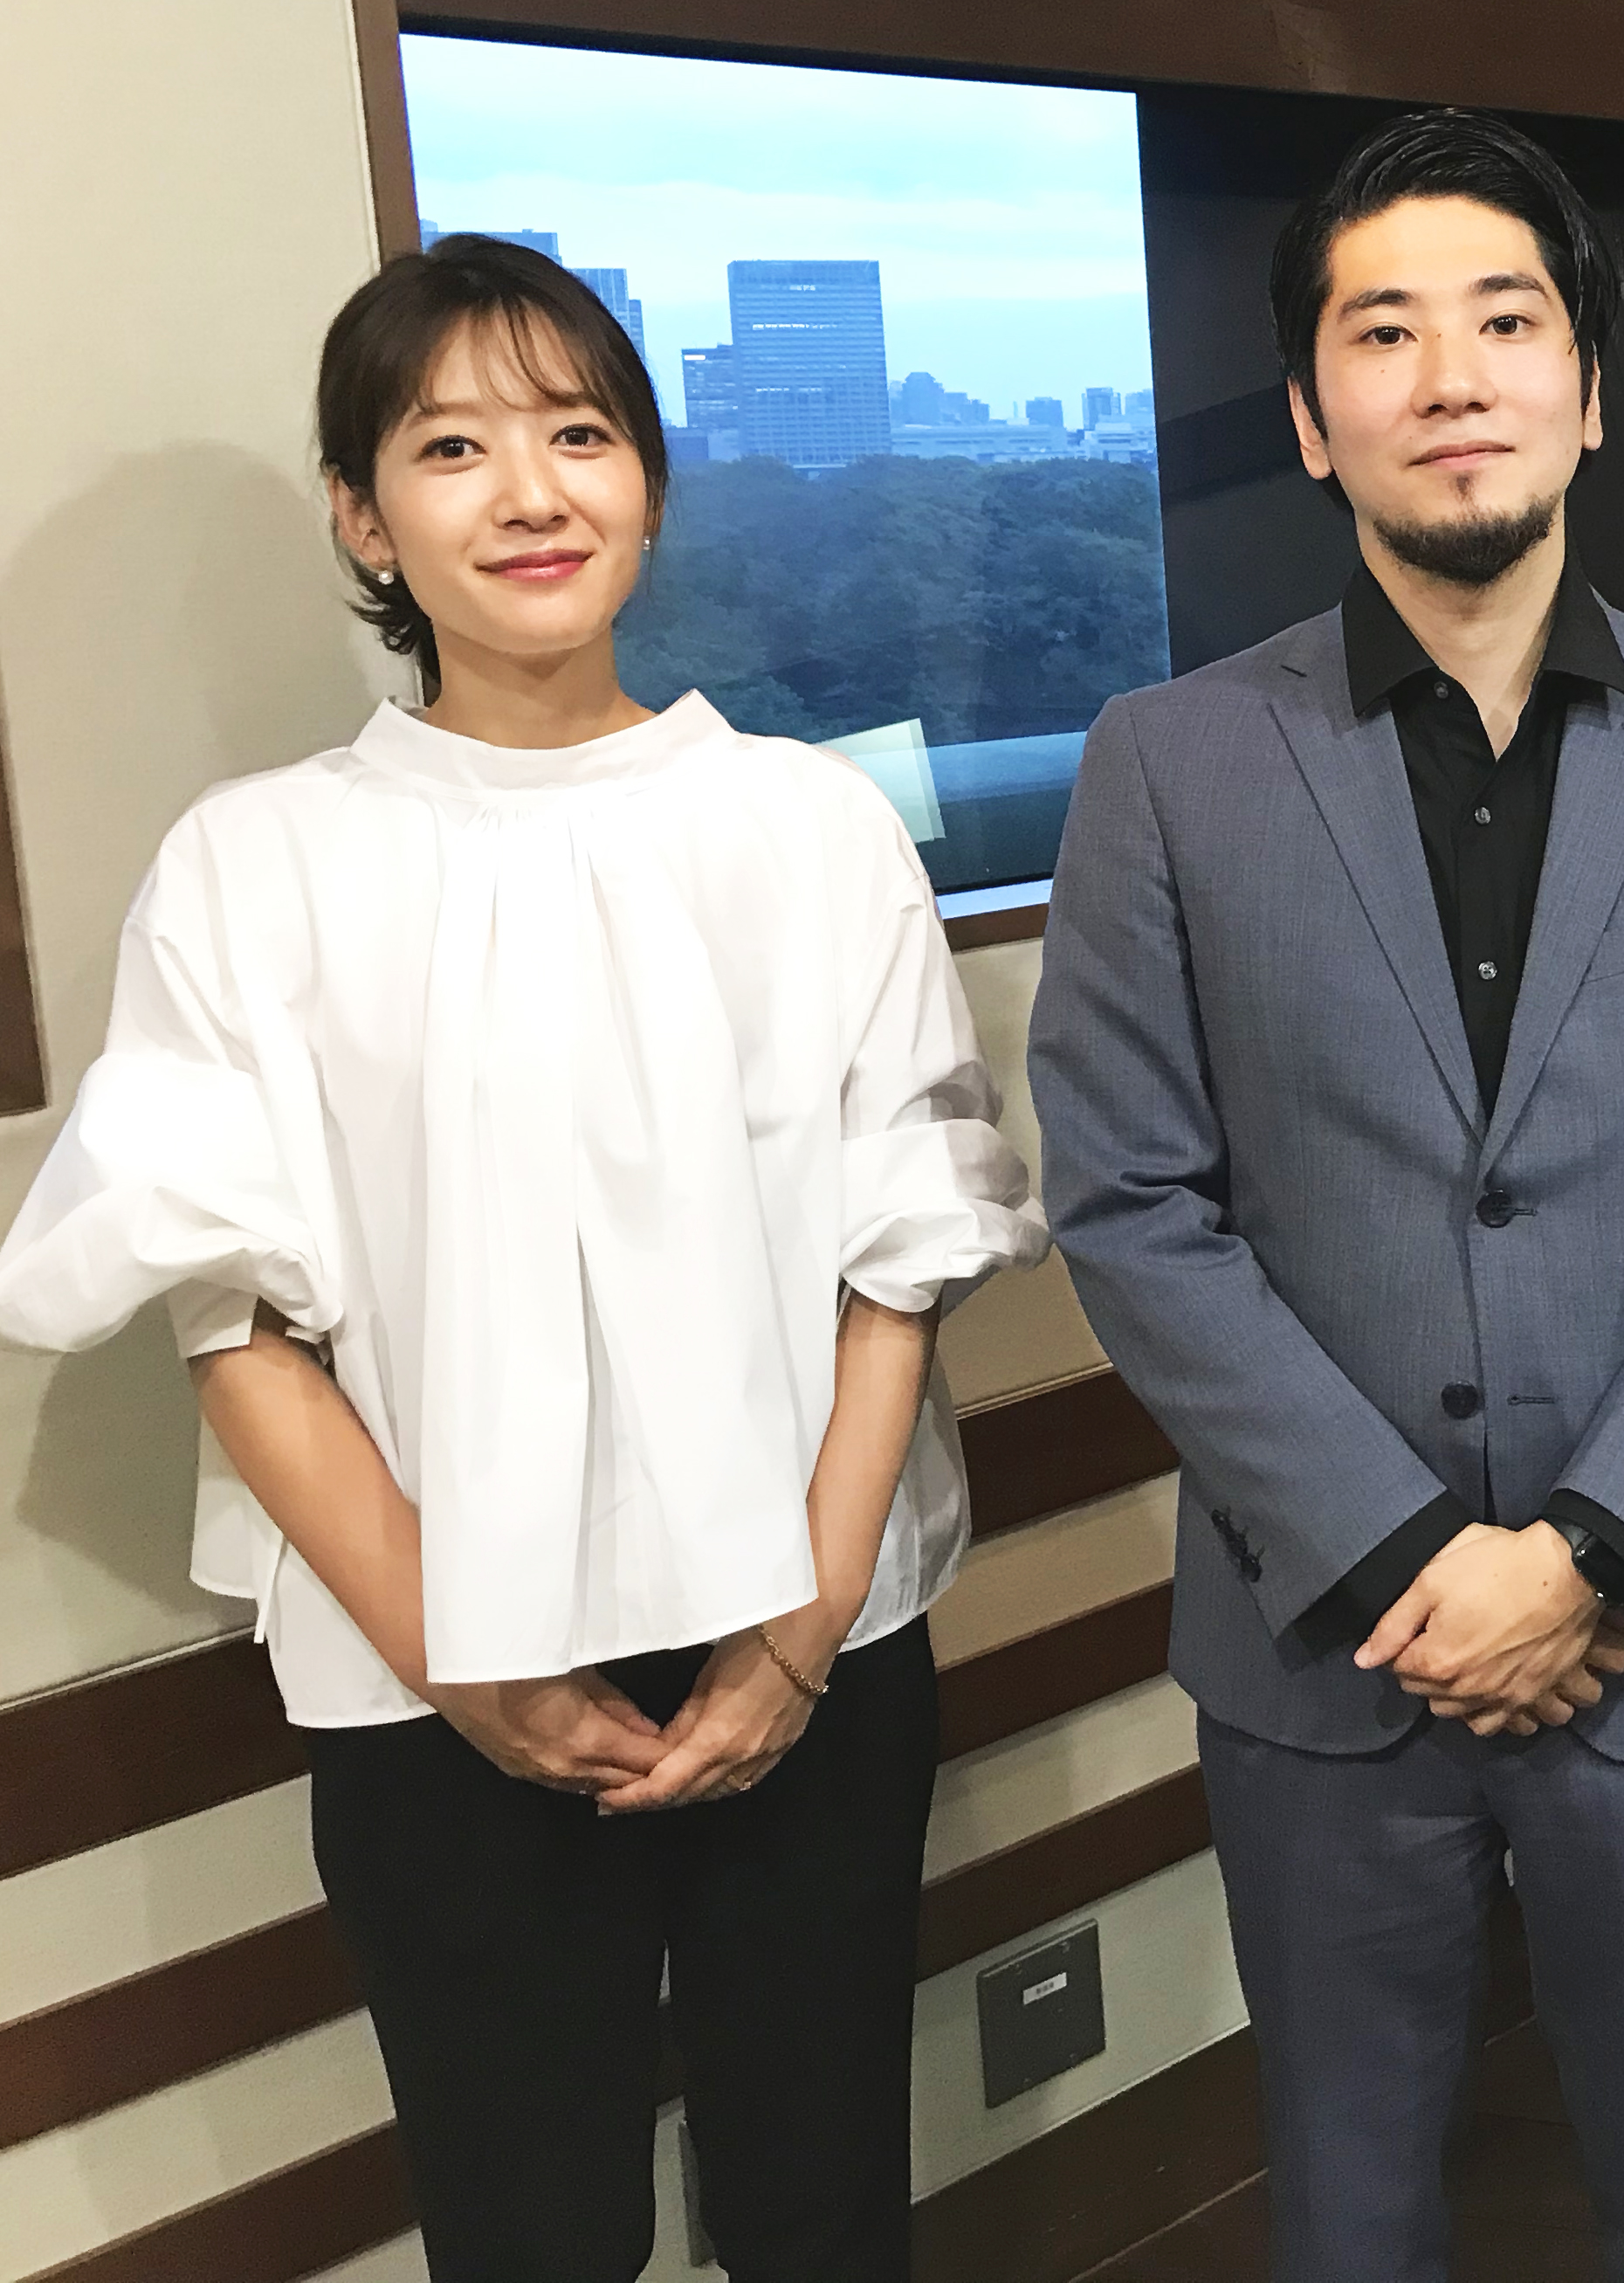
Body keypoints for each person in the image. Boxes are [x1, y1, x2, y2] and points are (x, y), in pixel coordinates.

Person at [0, 236, 1047, 2282]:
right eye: (452, 445)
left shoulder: (808, 827)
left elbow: (900, 1254)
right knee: (524, 2227)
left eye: (578, 433)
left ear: (646, 480)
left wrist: (800, 1629)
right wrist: (457, 1652)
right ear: (361, 514)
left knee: (822, 2200)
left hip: (813, 1641)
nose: (530, 492)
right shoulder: (256, 865)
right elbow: (234, 1308)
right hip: (434, 1676)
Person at [1030, 109, 1624, 2282]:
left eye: (1505, 321)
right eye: (1382, 329)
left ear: (1588, 392)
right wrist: (1413, 1559)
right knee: (1344, 2195)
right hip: (1327, 1647)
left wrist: (1585, 1552)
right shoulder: (1165, 761)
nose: (1449, 376)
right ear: (1309, 417)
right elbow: (1131, 1205)